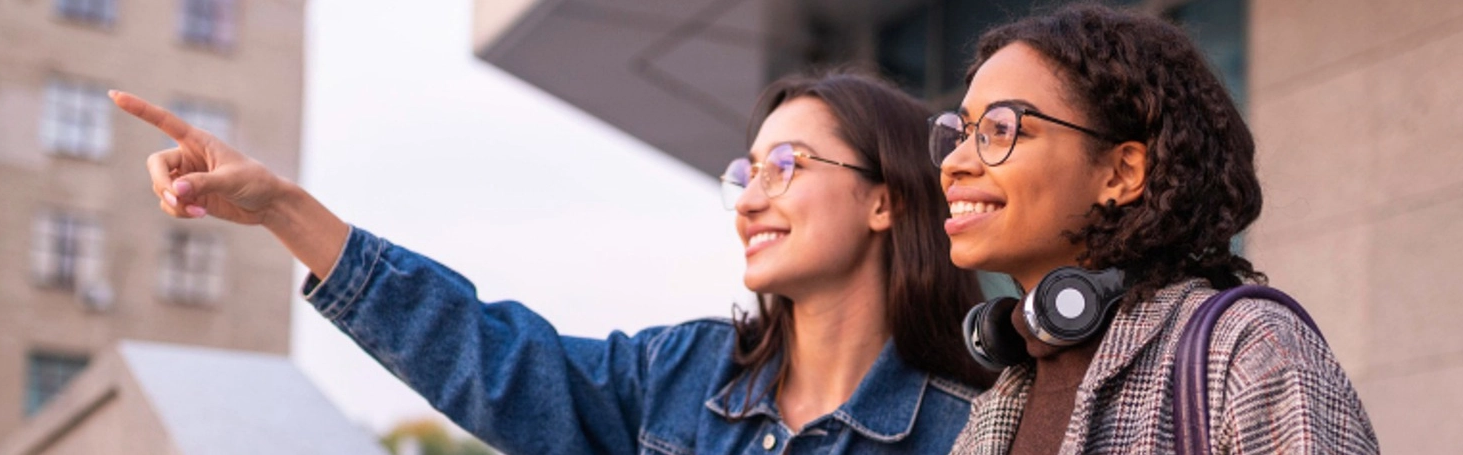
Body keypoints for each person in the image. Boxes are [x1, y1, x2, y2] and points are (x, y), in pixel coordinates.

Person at [109, 72, 993, 454]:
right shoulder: (678, 377)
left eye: (786, 166)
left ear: (887, 199)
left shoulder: (976, 429)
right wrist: (283, 209)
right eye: (744, 171)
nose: (751, 196)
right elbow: (484, 354)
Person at [931, 4, 1380, 453]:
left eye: (1003, 129)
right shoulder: (997, 408)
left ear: (1122, 172)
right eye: (964, 132)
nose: (954, 162)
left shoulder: (1250, 352)